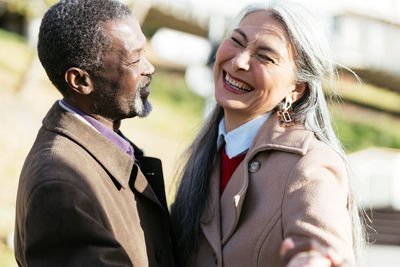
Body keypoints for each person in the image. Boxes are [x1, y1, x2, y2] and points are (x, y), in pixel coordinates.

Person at [171, 1, 362, 266]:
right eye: (237, 41)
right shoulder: (210, 148)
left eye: (265, 56)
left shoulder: (309, 165)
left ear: (296, 89)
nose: (239, 61)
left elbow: (322, 254)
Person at [14, 0, 175, 266]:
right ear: (80, 81)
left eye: (144, 52)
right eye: (134, 59)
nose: (149, 68)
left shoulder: (105, 141)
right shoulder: (59, 186)